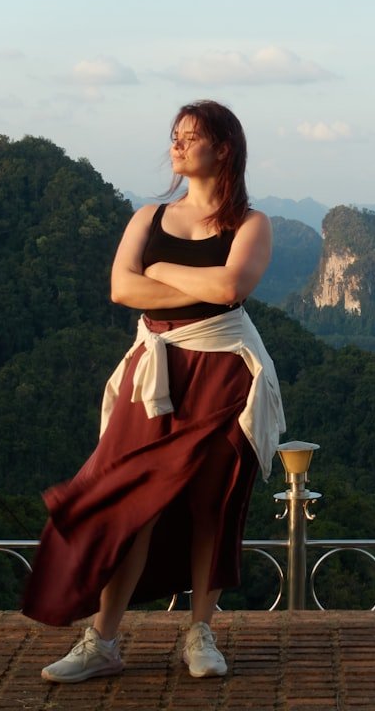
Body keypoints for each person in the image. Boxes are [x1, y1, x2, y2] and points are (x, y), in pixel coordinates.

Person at [21, 100, 285, 683]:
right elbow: (120, 288)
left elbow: (229, 286)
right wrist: (176, 282)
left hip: (220, 375)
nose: (178, 145)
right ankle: (103, 641)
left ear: (225, 149)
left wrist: (159, 272)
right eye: (176, 136)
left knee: (210, 506)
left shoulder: (251, 223)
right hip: (155, 376)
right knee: (127, 502)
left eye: (192, 137)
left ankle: (200, 634)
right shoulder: (148, 217)